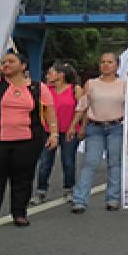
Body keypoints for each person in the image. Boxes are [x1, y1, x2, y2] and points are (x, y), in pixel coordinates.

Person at [0, 52, 57, 230]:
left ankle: (19, 213)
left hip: (28, 140)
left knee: (23, 177)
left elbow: (49, 110)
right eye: (4, 62)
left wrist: (53, 133)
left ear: (23, 66)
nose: (6, 64)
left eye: (11, 61)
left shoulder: (37, 87)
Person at [71, 53, 127, 213]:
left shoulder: (125, 84)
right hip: (95, 127)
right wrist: (75, 126)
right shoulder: (91, 83)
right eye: (103, 62)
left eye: (110, 62)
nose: (106, 65)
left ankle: (113, 199)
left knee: (114, 163)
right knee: (90, 162)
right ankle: (79, 200)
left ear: (117, 65)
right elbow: (82, 106)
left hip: (116, 127)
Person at [34, 62, 83, 205]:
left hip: (69, 130)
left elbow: (81, 109)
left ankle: (69, 189)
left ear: (61, 75)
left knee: (68, 161)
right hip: (49, 132)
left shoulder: (75, 89)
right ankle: (41, 191)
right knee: (45, 162)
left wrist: (77, 127)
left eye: (51, 72)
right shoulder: (45, 89)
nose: (47, 75)